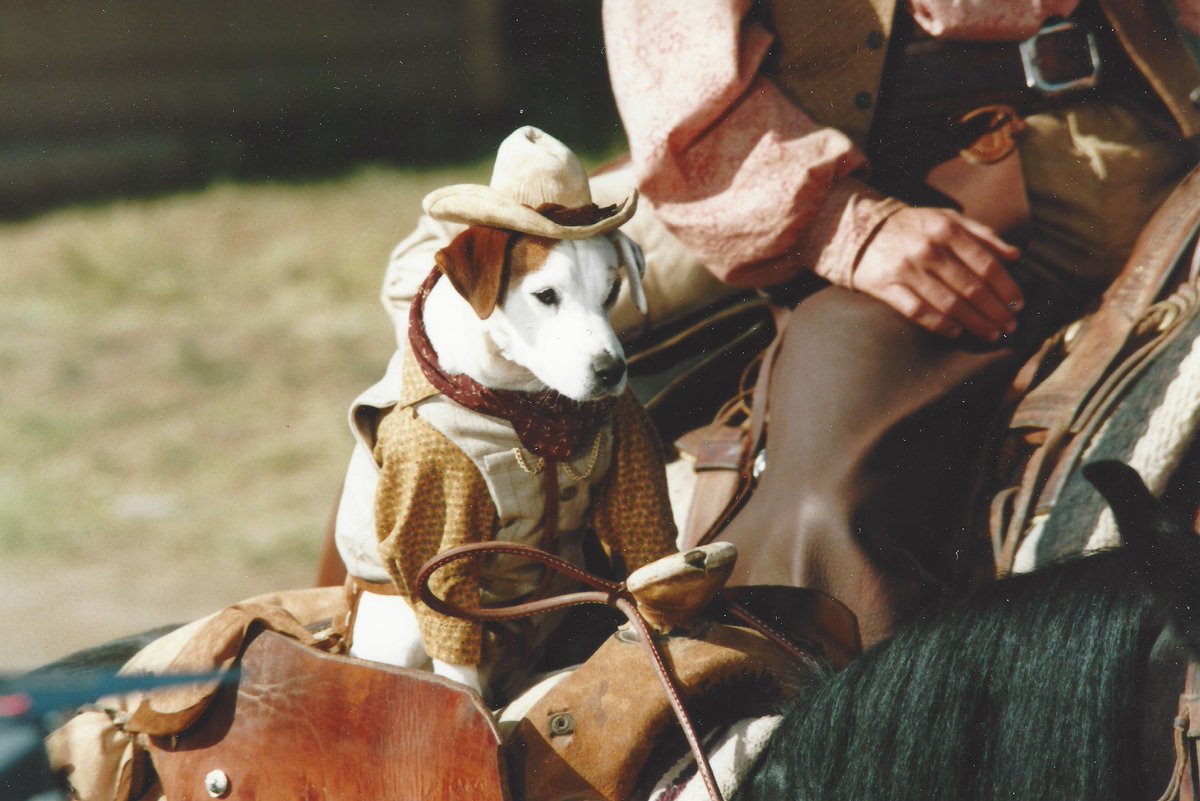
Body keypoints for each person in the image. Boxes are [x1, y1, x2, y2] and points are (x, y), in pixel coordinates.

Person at [601, 0, 1200, 645]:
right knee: (831, 513)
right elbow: (682, 88)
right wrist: (851, 227)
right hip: (896, 204)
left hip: (1159, 153)